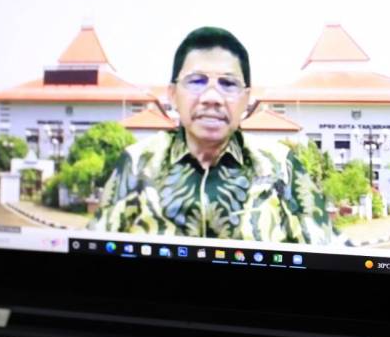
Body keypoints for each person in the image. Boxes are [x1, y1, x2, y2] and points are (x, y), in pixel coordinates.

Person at [94, 27, 331, 244]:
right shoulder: (137, 163)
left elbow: (327, 253)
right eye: (196, 81)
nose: (212, 98)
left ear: (246, 99)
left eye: (228, 84)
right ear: (173, 95)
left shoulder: (280, 166)